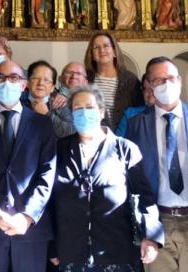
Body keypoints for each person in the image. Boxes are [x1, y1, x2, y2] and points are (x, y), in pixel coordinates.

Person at [124, 56, 188, 272]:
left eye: (169, 78)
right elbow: (134, 181)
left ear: (179, 80)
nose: (165, 84)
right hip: (158, 222)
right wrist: (144, 230)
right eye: (158, 80)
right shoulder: (137, 125)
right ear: (149, 85)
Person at [51, 86, 163, 271]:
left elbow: (144, 196)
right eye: (78, 108)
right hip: (72, 253)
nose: (84, 112)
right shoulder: (59, 150)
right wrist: (51, 245)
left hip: (117, 252)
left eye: (89, 107)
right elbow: (50, 201)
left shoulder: (125, 149)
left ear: (101, 111)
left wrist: (151, 237)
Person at [0, 59, 57, 272]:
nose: (7, 82)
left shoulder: (41, 124)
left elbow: (47, 175)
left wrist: (27, 216)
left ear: (24, 85)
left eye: (14, 77)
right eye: (0, 77)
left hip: (30, 230)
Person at [84, 32, 141, 126]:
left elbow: (139, 111)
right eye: (96, 47)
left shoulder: (130, 80)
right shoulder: (86, 79)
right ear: (92, 55)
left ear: (114, 52)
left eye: (106, 46)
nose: (101, 50)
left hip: (124, 136)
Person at [26, 60, 76, 139]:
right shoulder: (18, 103)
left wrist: (47, 114)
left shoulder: (61, 104)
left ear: (52, 87)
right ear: (27, 83)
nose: (41, 83)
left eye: (46, 80)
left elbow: (71, 132)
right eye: (35, 78)